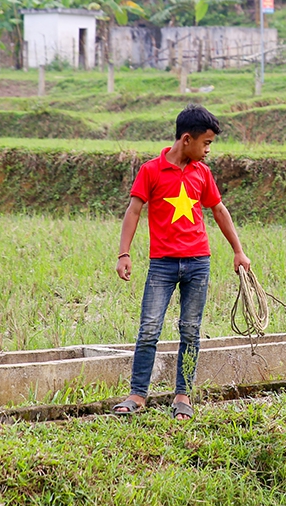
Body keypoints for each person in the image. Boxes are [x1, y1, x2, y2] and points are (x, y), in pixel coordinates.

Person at [111, 105, 251, 421]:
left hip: (198, 262)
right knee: (149, 329)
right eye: (206, 143)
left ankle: (183, 395)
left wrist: (238, 251)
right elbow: (133, 211)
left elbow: (219, 210)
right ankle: (137, 394)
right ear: (187, 139)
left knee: (190, 331)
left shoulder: (202, 173)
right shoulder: (151, 170)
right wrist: (124, 253)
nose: (208, 150)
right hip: (162, 264)